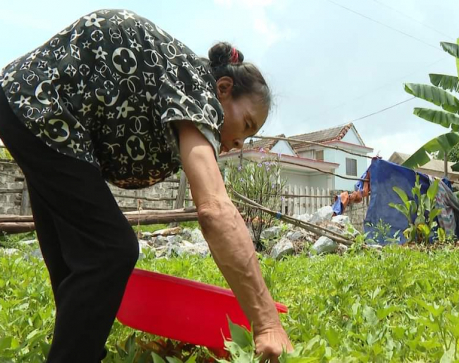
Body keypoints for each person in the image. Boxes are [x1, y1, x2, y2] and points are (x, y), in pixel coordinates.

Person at [0, 9, 292, 362]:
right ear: (224, 90)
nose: (238, 144)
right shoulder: (198, 94)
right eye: (245, 125)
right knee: (111, 250)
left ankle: (77, 348)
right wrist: (266, 324)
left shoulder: (184, 80)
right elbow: (215, 210)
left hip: (24, 103)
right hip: (42, 106)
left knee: (75, 258)